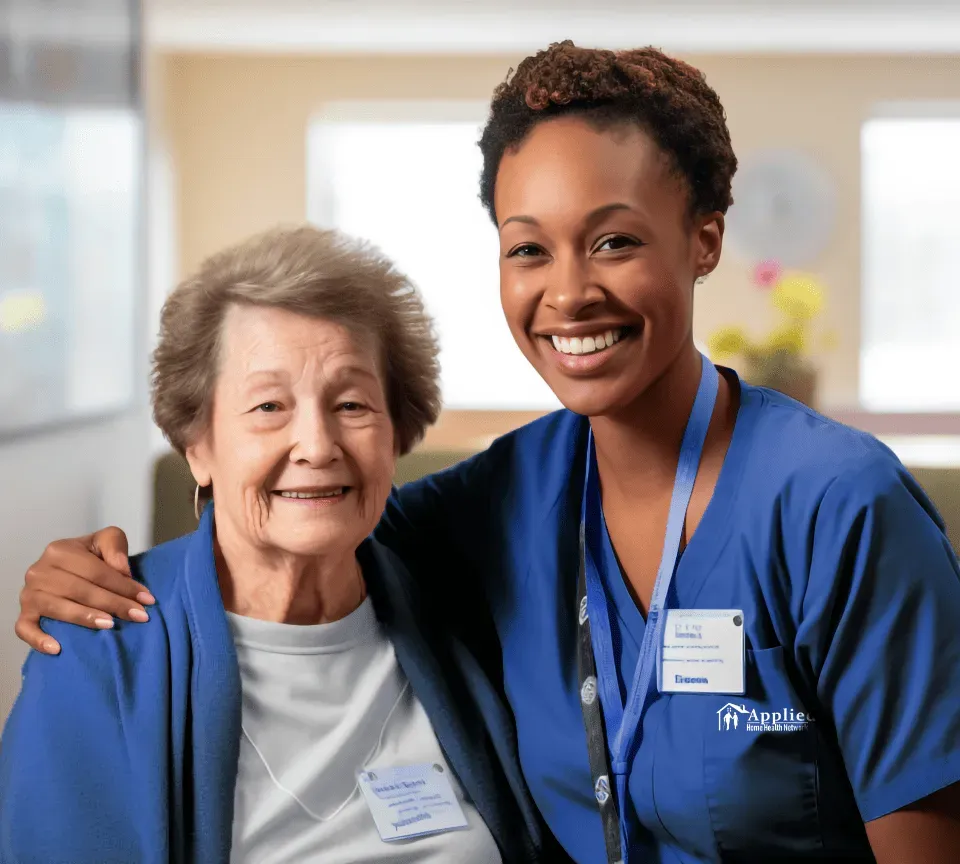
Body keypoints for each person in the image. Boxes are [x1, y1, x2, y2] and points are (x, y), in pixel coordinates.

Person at [12, 41, 960, 864]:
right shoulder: (505, 499)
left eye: (616, 240)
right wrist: (78, 573)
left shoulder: (838, 505)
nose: (570, 293)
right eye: (528, 249)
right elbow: (305, 524)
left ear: (705, 241)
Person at [0, 226, 553, 864]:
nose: (317, 446)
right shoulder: (101, 652)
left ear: (397, 433)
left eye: (352, 404)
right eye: (268, 406)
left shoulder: (464, 608)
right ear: (197, 447)